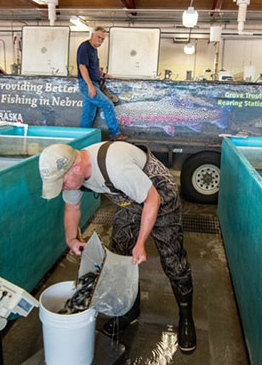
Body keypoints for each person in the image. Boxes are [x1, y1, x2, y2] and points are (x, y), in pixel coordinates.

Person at [39, 141, 196, 353]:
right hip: (128, 199)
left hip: (158, 194)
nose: (63, 188)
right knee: (120, 254)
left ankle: (186, 318)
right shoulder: (73, 176)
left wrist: (141, 244)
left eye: (62, 183)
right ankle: (130, 311)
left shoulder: (115, 166)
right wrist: (72, 239)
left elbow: (152, 200)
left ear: (75, 167)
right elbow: (72, 207)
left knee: (172, 260)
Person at [76, 26, 126, 141]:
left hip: (93, 83)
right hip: (87, 84)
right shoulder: (85, 47)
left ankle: (81, 138)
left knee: (88, 113)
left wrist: (103, 74)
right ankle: (115, 134)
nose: (100, 40)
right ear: (92, 35)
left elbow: (93, 68)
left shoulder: (94, 50)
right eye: (98, 37)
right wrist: (90, 86)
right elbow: (82, 67)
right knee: (108, 104)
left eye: (103, 39)